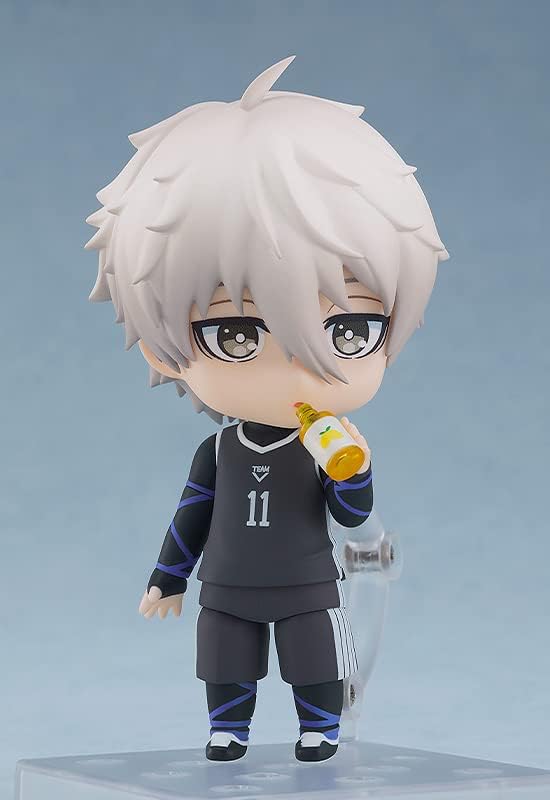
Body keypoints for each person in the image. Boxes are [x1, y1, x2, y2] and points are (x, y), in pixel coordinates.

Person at [86, 55, 447, 762]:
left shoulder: (326, 443)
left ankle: (319, 725)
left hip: (309, 581)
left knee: (315, 657)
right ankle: (229, 727)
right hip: (226, 583)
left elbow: (352, 517)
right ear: (163, 349)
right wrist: (168, 576)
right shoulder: (218, 451)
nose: (300, 363)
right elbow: (191, 515)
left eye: (350, 330)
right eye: (236, 335)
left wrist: (352, 473)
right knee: (225, 658)